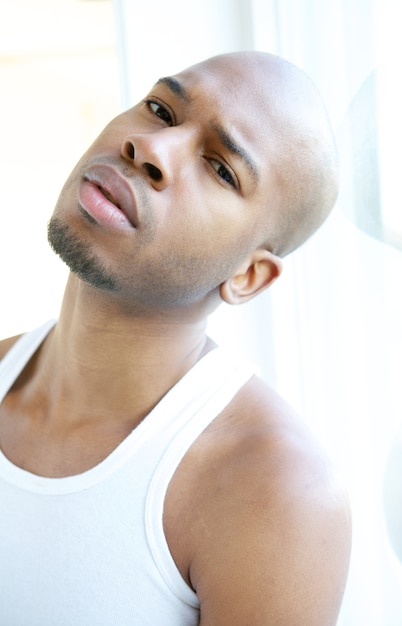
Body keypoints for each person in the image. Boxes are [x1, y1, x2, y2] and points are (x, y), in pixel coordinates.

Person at [0, 51, 351, 625]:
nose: (151, 148)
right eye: (161, 110)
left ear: (247, 276)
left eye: (220, 168)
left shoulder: (276, 492)